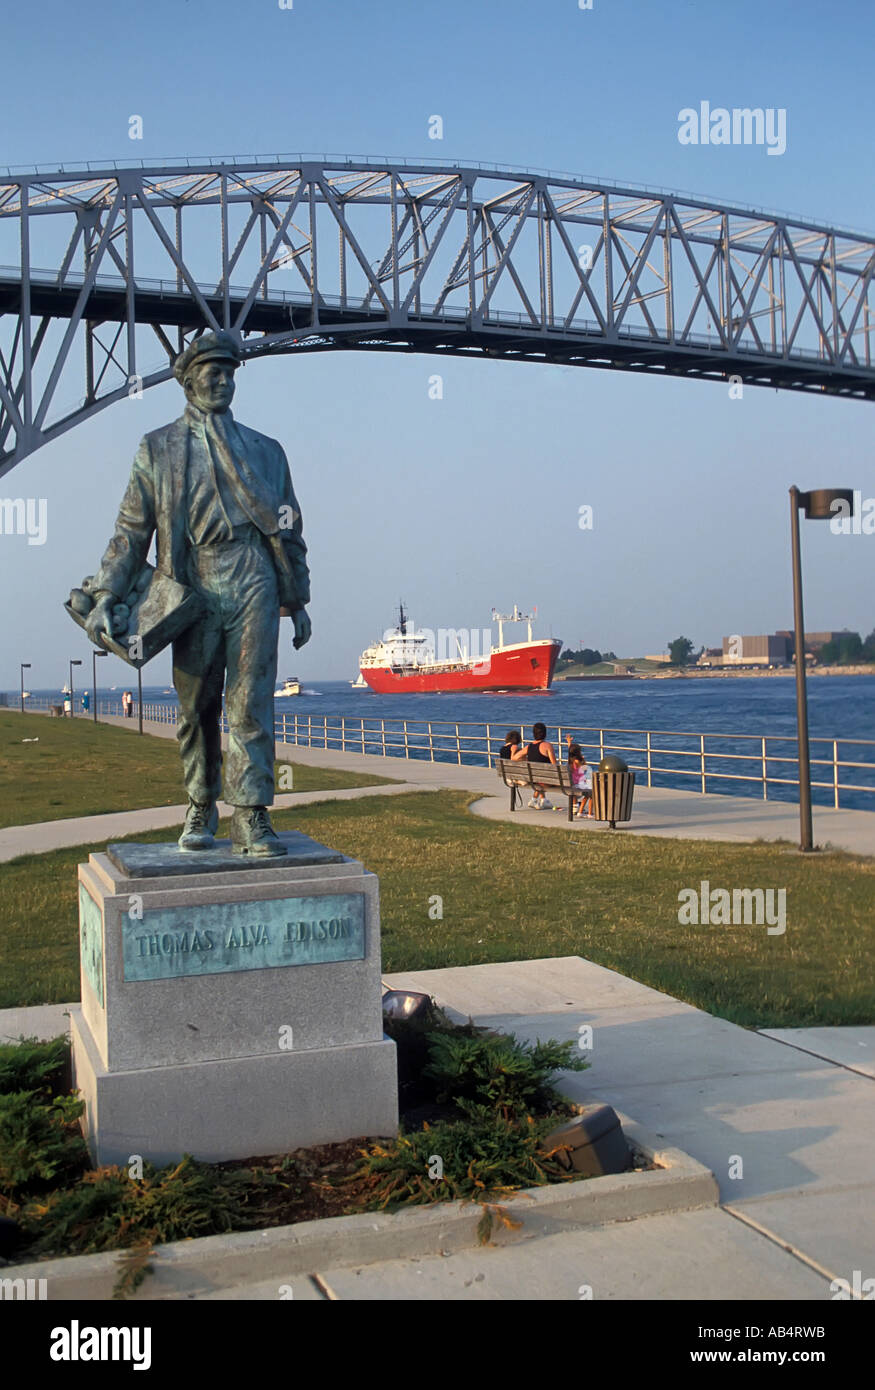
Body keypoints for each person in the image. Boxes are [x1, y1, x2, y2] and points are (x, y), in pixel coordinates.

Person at [84, 330, 311, 855]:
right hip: (194, 583)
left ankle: (252, 814)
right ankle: (201, 803)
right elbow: (130, 533)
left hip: (254, 574)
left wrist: (295, 598)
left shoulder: (267, 451)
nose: (223, 380)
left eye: (229, 373)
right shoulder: (158, 448)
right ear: (187, 382)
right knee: (196, 705)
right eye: (212, 372)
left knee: (251, 700)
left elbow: (289, 527)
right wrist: (106, 597)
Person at [511, 721, 556, 808]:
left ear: (534, 734)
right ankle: (534, 799)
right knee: (546, 779)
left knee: (542, 778)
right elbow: (555, 766)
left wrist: (522, 757)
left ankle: (543, 800)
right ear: (545, 733)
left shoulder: (528, 747)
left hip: (533, 778)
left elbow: (514, 758)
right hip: (545, 779)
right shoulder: (548, 746)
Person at [568, 743, 593, 818]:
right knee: (592, 792)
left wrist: (569, 743)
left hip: (572, 784)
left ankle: (581, 812)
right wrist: (583, 759)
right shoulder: (578, 761)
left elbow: (571, 752)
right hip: (578, 784)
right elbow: (585, 766)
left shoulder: (570, 761)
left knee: (589, 791)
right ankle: (589, 813)